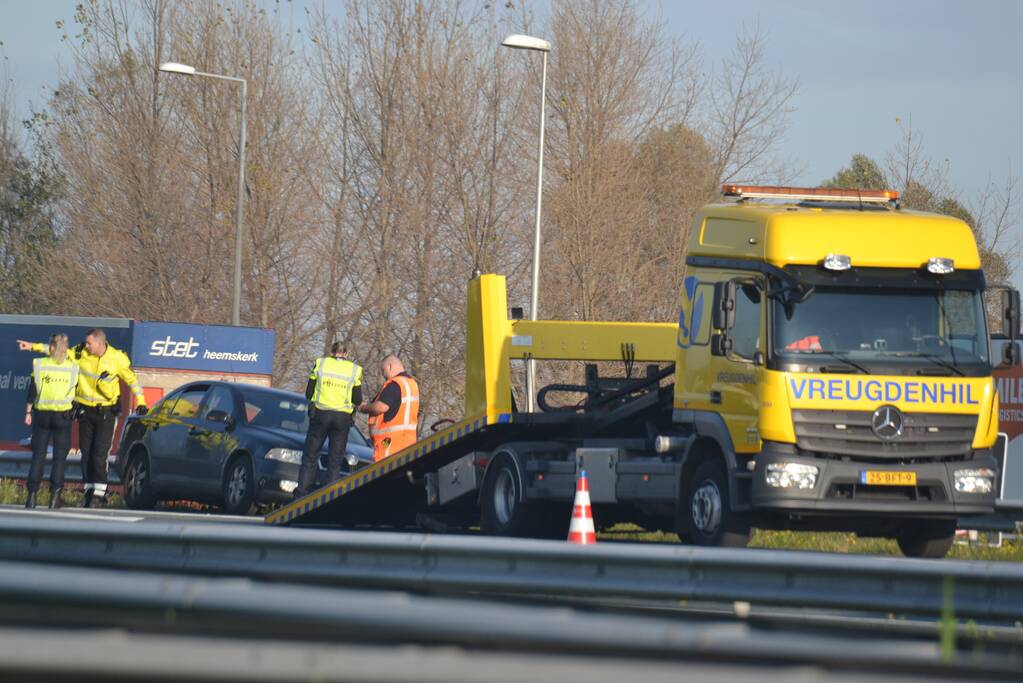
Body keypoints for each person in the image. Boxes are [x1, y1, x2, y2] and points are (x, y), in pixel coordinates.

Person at [18, 328, 148, 508]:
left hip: (106, 411)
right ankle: (88, 492)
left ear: (100, 343)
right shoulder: (81, 353)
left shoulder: (117, 358)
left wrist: (141, 401)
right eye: (86, 343)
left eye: (89, 343)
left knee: (99, 454)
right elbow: (58, 351)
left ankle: (99, 494)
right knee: (85, 453)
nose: (86, 346)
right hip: (85, 410)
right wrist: (33, 346)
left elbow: (132, 380)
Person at [294, 342, 363, 499]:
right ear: (346, 353)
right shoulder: (354, 370)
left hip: (320, 414)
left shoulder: (321, 363)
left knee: (311, 455)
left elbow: (308, 393)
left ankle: (302, 494)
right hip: (342, 418)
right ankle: (328, 496)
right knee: (335, 459)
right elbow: (357, 399)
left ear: (332, 352)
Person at [22, 334, 79, 509]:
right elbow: (75, 391)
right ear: (66, 348)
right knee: (59, 458)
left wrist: (28, 412)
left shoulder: (40, 364)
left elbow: (32, 390)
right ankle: (54, 497)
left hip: (42, 415)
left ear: (51, 347)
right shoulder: (72, 367)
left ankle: (31, 496)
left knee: (38, 455)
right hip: (63, 416)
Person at [358, 355, 419, 462]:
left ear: (390, 366)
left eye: (383, 370)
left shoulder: (395, 384)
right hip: (408, 443)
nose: (383, 375)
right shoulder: (411, 384)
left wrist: (364, 408)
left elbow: (381, 407)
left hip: (389, 446)